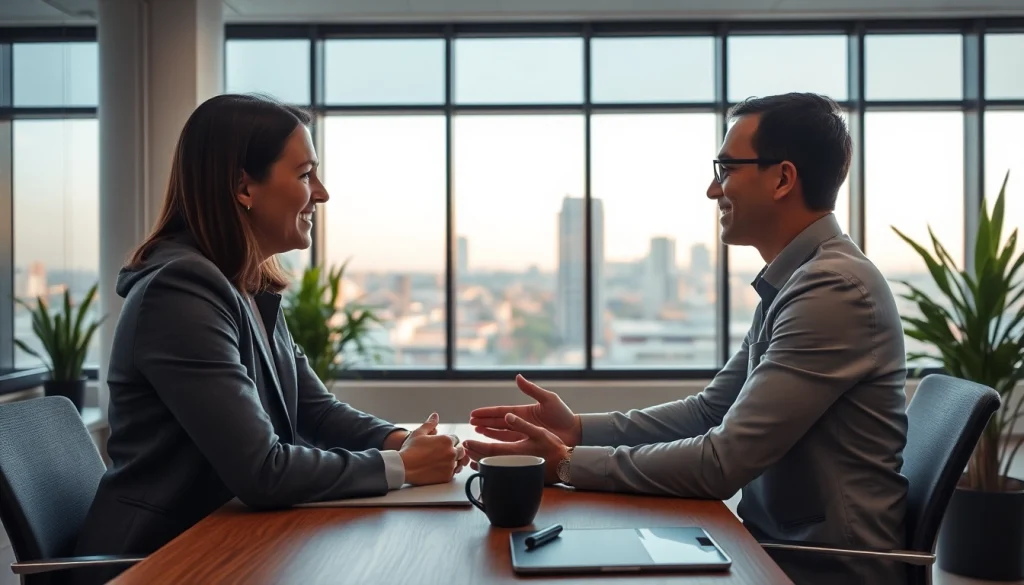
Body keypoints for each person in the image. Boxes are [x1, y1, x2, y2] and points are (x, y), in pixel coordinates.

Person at [464, 93, 909, 585]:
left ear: (783, 178)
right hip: (770, 550)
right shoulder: (800, 280)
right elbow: (710, 411)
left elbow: (721, 463)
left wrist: (569, 465)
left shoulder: (833, 290)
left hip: (818, 569)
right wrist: (579, 431)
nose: (712, 190)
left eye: (726, 168)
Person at [72, 94, 468, 583]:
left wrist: (402, 440)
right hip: (156, 562)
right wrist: (400, 467)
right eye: (305, 175)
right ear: (244, 186)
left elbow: (313, 409)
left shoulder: (242, 283)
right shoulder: (180, 292)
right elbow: (262, 470)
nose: (320, 193)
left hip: (224, 545)